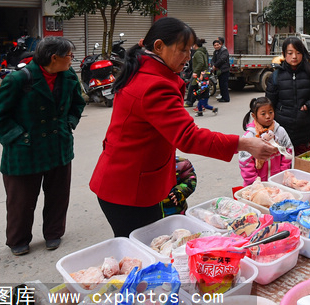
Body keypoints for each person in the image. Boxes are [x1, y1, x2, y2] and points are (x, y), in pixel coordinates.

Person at [89, 17, 277, 237]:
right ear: (158, 46)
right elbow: (189, 137)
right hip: (128, 188)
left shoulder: (144, 71)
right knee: (142, 249)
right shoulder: (154, 85)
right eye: (183, 50)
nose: (188, 56)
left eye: (190, 49)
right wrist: (244, 143)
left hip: (127, 181)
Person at [0, 37, 86, 256]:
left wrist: (69, 123)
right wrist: (17, 137)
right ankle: (18, 240)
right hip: (25, 150)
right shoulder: (19, 79)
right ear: (54, 58)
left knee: (58, 196)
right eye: (70, 55)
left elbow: (78, 103)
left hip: (59, 146)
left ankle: (53, 233)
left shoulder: (68, 77)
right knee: (21, 201)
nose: (72, 60)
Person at [265, 36, 310, 156]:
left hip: (305, 131)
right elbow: (268, 105)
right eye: (290, 53)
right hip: (281, 132)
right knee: (283, 166)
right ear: (284, 54)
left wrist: (308, 106)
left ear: (303, 53)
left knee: (302, 166)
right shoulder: (276, 76)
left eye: (298, 52)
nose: (294, 57)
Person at [239, 97, 293, 186]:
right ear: (254, 116)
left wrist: (283, 173)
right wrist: (255, 183)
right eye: (263, 114)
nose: (268, 116)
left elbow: (288, 151)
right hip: (257, 184)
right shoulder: (249, 136)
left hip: (278, 181)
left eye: (270, 112)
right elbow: (245, 162)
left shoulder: (280, 131)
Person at [184, 38, 207, 108]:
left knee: (192, 87)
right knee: (197, 88)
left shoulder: (198, 53)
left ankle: (190, 102)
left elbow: (201, 63)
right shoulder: (202, 51)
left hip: (198, 74)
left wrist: (195, 71)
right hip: (201, 73)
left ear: (195, 45)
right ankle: (195, 101)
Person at [212, 37, 230, 102]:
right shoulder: (215, 52)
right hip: (219, 71)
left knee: (224, 85)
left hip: (224, 70)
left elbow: (222, 59)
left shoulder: (224, 51)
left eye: (217, 45)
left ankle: (226, 98)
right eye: (215, 45)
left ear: (221, 44)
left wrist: (215, 65)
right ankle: (223, 97)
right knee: (221, 85)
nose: (216, 46)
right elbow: (213, 60)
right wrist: (213, 65)